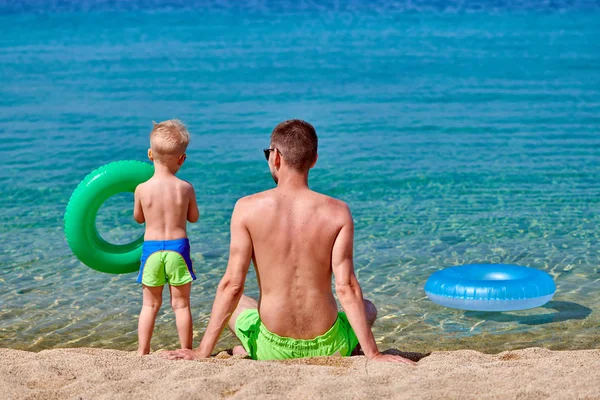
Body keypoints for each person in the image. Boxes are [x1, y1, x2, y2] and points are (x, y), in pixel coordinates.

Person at [164, 119, 413, 364]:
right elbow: (346, 287)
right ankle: (358, 347)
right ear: (314, 160)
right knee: (367, 307)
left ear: (276, 157)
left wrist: (201, 352)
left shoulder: (246, 209)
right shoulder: (338, 212)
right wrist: (375, 355)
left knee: (239, 304)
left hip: (273, 348)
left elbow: (232, 285)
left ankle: (248, 348)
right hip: (330, 346)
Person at [133, 119, 200, 355]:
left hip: (151, 249)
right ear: (181, 159)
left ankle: (143, 351)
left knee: (149, 305)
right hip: (178, 249)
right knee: (181, 305)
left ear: (150, 154)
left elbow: (139, 218)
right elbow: (193, 217)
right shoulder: (185, 188)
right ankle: (186, 349)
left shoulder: (141, 189)